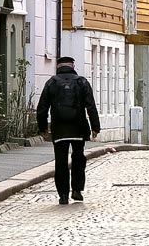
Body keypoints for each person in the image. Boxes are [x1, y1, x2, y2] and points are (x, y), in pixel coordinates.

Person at [37, 56, 100, 205]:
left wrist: (43, 127)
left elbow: (42, 107)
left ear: (58, 67)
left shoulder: (51, 82)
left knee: (61, 162)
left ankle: (63, 195)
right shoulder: (81, 82)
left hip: (59, 129)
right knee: (79, 159)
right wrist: (95, 127)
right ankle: (77, 190)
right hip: (78, 128)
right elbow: (91, 106)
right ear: (72, 65)